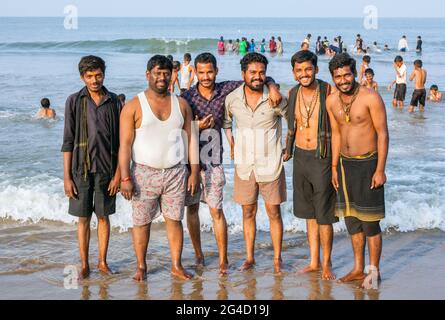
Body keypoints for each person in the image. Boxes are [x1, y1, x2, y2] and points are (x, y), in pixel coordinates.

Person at [180, 52, 282, 275]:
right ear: (194, 72)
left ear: (216, 71)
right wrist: (197, 126)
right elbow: (177, 128)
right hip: (188, 162)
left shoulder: (227, 90)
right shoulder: (186, 97)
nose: (206, 76)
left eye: (210, 71)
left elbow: (258, 78)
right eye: (201, 72)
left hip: (214, 161)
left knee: (217, 211)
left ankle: (223, 260)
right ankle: (198, 254)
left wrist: (273, 86)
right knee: (193, 209)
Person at [119, 55, 199, 281]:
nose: (162, 77)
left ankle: (176, 265)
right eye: (157, 73)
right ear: (148, 75)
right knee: (142, 222)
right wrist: (125, 177)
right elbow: (124, 145)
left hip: (176, 172)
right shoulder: (134, 106)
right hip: (144, 173)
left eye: (166, 73)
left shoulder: (181, 105)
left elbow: (191, 139)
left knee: (175, 220)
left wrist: (194, 171)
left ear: (172, 75)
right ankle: (141, 267)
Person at [326, 53, 389, 288]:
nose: (343, 80)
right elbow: (336, 134)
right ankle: (357, 268)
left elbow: (383, 133)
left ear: (355, 73)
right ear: (333, 77)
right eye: (338, 76)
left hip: (368, 164)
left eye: (347, 74)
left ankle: (373, 270)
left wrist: (380, 169)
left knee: (370, 221)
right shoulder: (331, 101)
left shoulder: (370, 97)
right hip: (344, 165)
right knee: (352, 220)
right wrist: (333, 166)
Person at [223, 53, 288, 273]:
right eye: (253, 72)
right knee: (247, 213)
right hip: (244, 167)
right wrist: (231, 144)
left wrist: (290, 146)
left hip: (271, 166)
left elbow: (295, 122)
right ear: (243, 74)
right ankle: (249, 258)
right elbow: (226, 123)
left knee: (273, 213)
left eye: (262, 73)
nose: (257, 77)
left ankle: (277, 259)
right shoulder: (232, 99)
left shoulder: (275, 98)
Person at [61, 55, 122, 279]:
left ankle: (103, 263)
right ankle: (85, 264)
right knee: (84, 219)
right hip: (80, 171)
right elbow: (68, 141)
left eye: (98, 75)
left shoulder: (115, 101)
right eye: (89, 76)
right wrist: (67, 178)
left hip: (107, 171)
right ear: (82, 77)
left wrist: (119, 175)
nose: (94, 80)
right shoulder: (74, 101)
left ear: (104, 75)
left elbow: (123, 142)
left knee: (104, 218)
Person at [283, 50, 337, 280]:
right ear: (294, 73)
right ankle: (314, 261)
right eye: (299, 70)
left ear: (316, 69)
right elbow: (292, 127)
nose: (304, 74)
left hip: (322, 156)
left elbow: (340, 127)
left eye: (308, 69)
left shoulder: (328, 91)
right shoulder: (292, 93)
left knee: (324, 214)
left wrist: (337, 163)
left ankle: (327, 263)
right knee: (309, 214)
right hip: (300, 157)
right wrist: (288, 149)